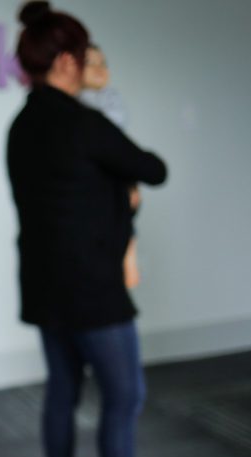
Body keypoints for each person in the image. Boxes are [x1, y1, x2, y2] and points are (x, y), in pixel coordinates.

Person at [7, 1, 190, 457]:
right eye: (84, 55)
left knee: (64, 388)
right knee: (124, 397)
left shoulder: (22, 124)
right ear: (66, 61)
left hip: (43, 283)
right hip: (92, 288)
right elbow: (152, 168)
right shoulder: (85, 123)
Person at [80, 43, 141, 290]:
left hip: (117, 180)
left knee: (125, 225)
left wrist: (132, 183)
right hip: (95, 190)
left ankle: (128, 264)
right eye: (90, 63)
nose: (99, 69)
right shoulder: (76, 105)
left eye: (102, 63)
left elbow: (121, 147)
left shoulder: (112, 99)